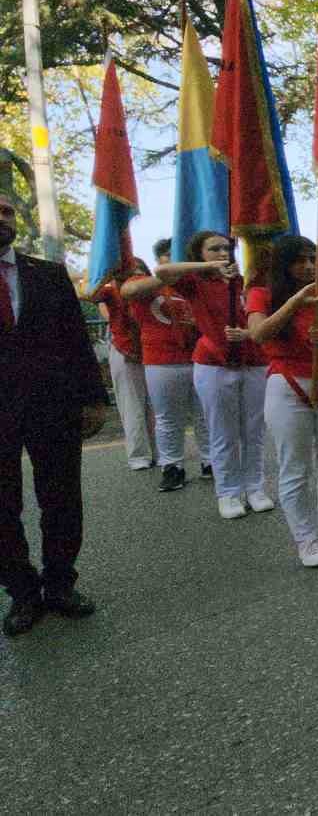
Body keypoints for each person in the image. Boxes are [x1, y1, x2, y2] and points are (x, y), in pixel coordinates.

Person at [1, 192, 108, 635]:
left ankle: (61, 584)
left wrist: (93, 398)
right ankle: (23, 594)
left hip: (53, 406)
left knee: (62, 499)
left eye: (6, 210)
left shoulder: (47, 274)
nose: (0, 216)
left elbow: (76, 342)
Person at [246, 234, 318, 569]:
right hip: (286, 385)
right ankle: (306, 540)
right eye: (300, 260)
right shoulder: (262, 294)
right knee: (294, 468)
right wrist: (296, 302)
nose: (308, 266)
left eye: (312, 259)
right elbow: (258, 334)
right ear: (283, 262)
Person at [152, 231, 274, 520]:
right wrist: (207, 268)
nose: (223, 253)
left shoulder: (246, 283)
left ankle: (254, 488)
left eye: (226, 248)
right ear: (200, 255)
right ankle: (228, 492)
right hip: (214, 363)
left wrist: (247, 333)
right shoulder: (195, 282)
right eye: (214, 249)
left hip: (254, 362)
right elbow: (162, 271)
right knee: (223, 432)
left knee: (253, 431)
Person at [121, 239, 211, 493]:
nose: (176, 261)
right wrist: (171, 276)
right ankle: (172, 467)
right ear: (159, 260)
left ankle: (211, 462)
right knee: (168, 418)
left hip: (199, 358)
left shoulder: (193, 285)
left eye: (179, 256)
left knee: (205, 415)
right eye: (169, 256)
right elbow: (127, 293)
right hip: (161, 361)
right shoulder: (144, 284)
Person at [90, 258, 155, 471]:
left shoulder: (151, 288)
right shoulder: (110, 291)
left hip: (154, 351)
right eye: (128, 272)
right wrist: (106, 276)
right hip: (123, 350)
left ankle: (163, 453)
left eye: (138, 271)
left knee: (155, 407)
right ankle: (139, 455)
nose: (134, 275)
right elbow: (88, 293)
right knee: (132, 405)